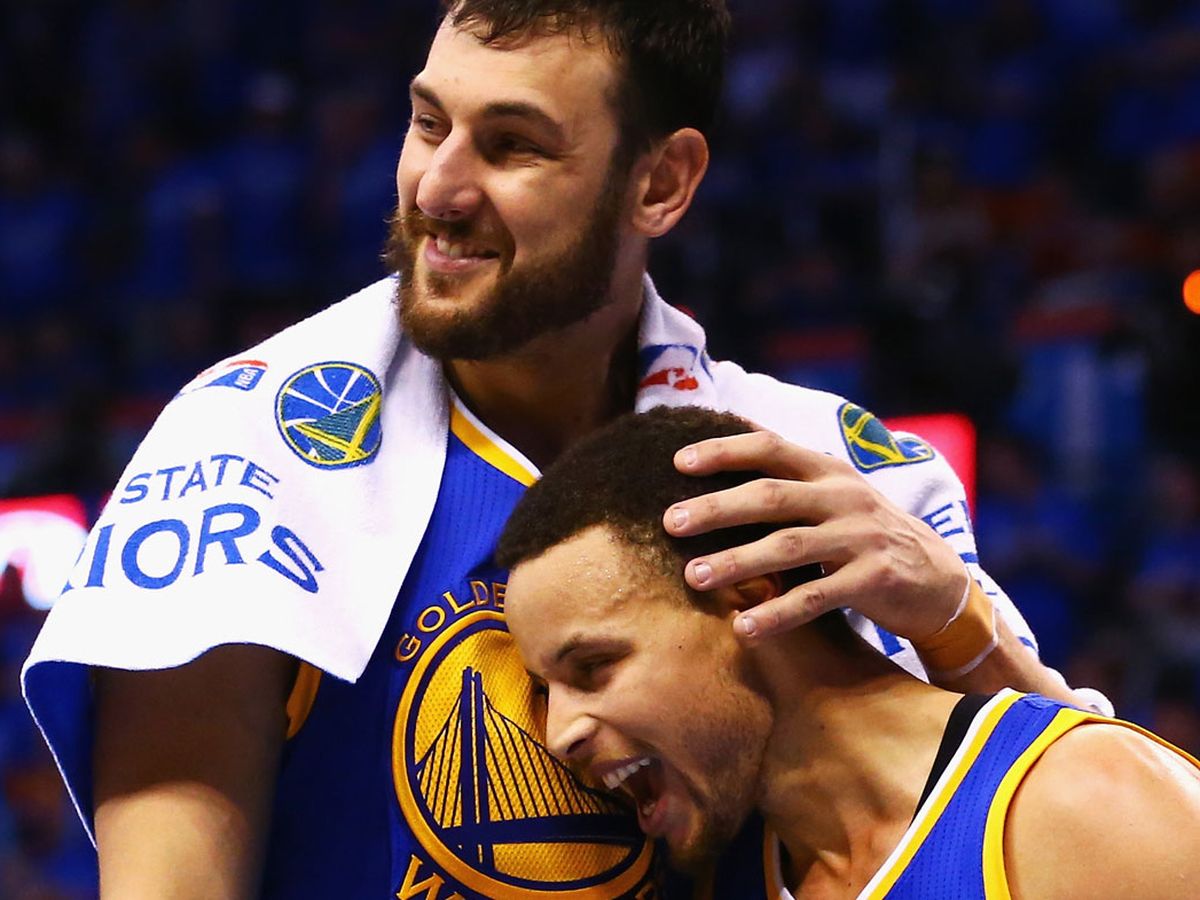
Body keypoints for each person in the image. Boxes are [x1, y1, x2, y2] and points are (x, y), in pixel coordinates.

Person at [22, 1, 1103, 897]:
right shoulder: (252, 448)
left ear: (660, 184)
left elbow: (1081, 823)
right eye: (427, 123)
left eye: (512, 145)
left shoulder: (828, 471)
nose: (437, 190)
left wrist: (956, 622)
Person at [498, 405, 1200, 899]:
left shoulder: (1087, 805)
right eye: (547, 688)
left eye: (594, 668)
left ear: (751, 593)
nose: (560, 734)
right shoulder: (724, 872)